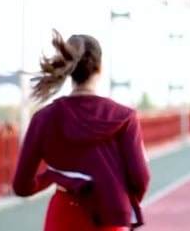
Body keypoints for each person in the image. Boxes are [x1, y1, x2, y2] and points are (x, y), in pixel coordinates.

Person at [12, 29, 151, 231]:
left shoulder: (44, 118)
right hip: (109, 217)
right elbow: (140, 177)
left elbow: (22, 186)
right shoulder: (125, 117)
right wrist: (116, 200)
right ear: (100, 68)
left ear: (68, 69)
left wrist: (54, 175)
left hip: (64, 214)